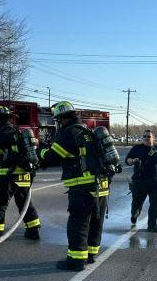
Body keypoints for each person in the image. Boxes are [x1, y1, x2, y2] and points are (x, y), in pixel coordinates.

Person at [38, 101, 110, 271]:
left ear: (61, 118)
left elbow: (52, 157)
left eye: (57, 120)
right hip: (101, 185)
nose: (58, 124)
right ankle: (91, 254)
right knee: (95, 221)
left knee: (78, 223)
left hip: (83, 187)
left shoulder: (68, 132)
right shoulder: (86, 131)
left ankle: (76, 261)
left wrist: (40, 151)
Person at [0, 105, 41, 243]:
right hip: (25, 175)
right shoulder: (16, 132)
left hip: (9, 176)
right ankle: (33, 231)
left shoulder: (3, 133)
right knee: (25, 204)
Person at [126, 129, 157, 232]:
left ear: (153, 138)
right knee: (136, 203)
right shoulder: (137, 148)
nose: (146, 138)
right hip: (139, 181)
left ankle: (152, 226)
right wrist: (133, 161)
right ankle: (134, 214)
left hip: (156, 182)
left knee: (155, 205)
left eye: (148, 136)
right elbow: (127, 160)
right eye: (144, 136)